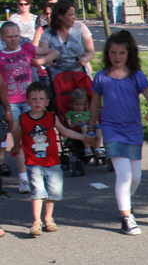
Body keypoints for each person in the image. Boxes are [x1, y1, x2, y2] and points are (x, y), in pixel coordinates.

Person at [89, 30, 148, 235]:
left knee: (136, 177)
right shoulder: (101, 77)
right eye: (113, 52)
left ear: (129, 53)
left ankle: (126, 202)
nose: (117, 57)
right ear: (107, 53)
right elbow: (95, 105)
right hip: (112, 130)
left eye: (121, 52)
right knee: (124, 174)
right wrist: (92, 127)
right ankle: (126, 217)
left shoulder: (137, 76)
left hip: (133, 130)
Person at [11, 81, 94, 237]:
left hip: (53, 162)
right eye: (33, 99)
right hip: (33, 163)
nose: (37, 102)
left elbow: (65, 131)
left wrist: (84, 137)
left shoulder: (51, 117)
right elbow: (17, 134)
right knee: (38, 191)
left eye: (41, 99)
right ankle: (36, 221)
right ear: (27, 101)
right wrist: (16, 146)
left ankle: (48, 218)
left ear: (47, 102)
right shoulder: (23, 119)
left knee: (53, 192)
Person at [0, 21, 38, 193]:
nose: (14, 39)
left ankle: (36, 174)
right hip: (12, 103)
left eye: (16, 35)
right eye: (9, 36)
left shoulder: (27, 49)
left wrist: (41, 61)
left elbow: (52, 51)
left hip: (29, 101)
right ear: (2, 38)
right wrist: (6, 108)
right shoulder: (1, 56)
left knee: (34, 138)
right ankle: (23, 179)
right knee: (19, 141)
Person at [36, 0, 95, 81]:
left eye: (74, 14)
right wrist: (47, 63)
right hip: (58, 80)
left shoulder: (81, 28)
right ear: (60, 16)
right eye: (70, 15)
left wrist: (84, 59)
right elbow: (42, 55)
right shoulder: (48, 33)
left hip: (80, 77)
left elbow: (91, 51)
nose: (74, 17)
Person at [64, 88, 96, 160]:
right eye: (76, 104)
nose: (79, 107)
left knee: (98, 127)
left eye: (81, 105)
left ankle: (97, 148)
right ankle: (87, 149)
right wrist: (76, 124)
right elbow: (69, 125)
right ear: (71, 104)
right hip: (77, 128)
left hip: (90, 128)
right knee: (84, 126)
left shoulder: (87, 112)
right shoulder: (70, 113)